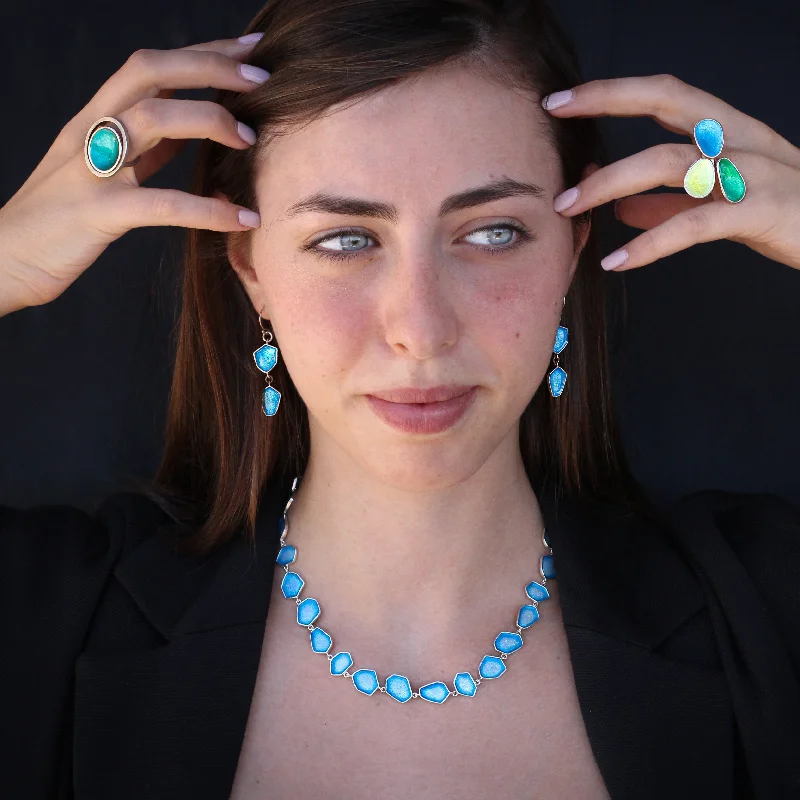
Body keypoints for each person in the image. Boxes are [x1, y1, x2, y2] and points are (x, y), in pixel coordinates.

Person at [1, 0, 798, 798]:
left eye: (492, 232)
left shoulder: (764, 617)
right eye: (345, 240)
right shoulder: (47, 623)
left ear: (572, 249)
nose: (420, 329)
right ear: (249, 269)